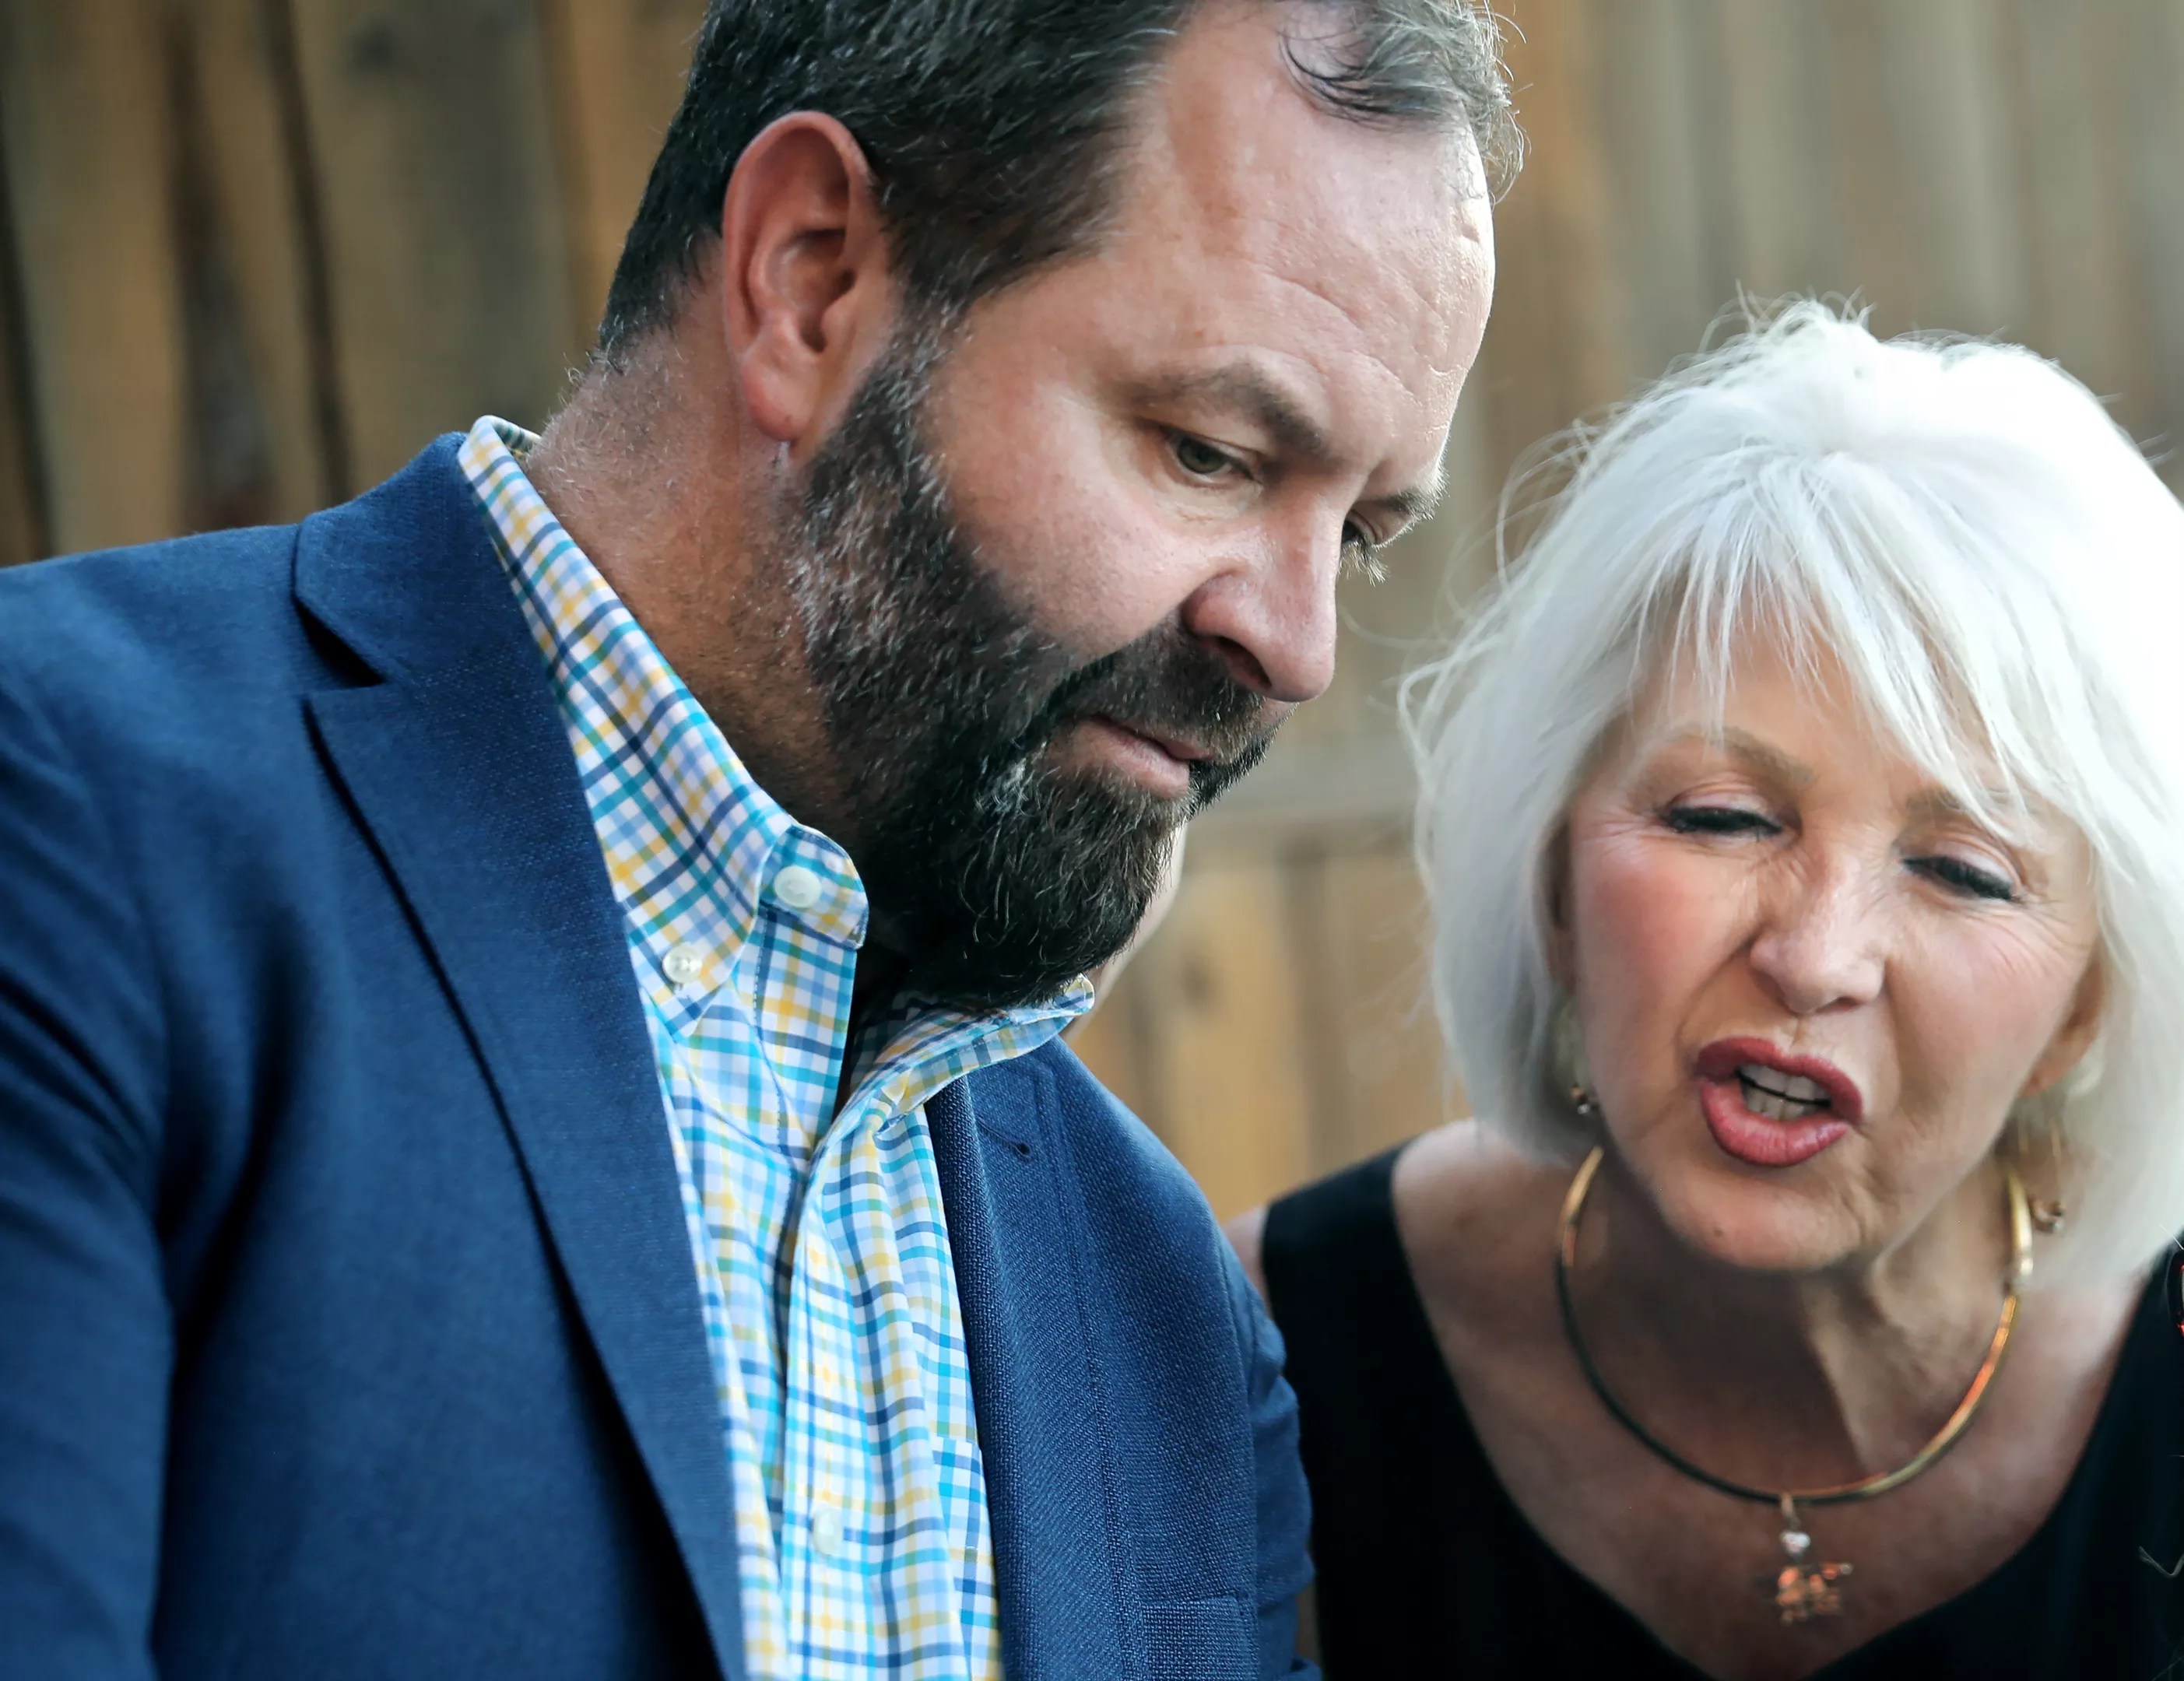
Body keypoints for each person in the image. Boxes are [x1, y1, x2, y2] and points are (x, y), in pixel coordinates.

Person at [0, 3, 1507, 1677]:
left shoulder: (1167, 1321)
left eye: (1359, 534)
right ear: (808, 280)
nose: (1295, 647)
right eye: (1211, 454)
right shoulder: (71, 812)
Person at [1229, 304, 2184, 1678]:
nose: (1814, 954)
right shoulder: (1264, 1347)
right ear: (1553, 876)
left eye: (1963, 872)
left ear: (2087, 1006)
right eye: (1724, 817)